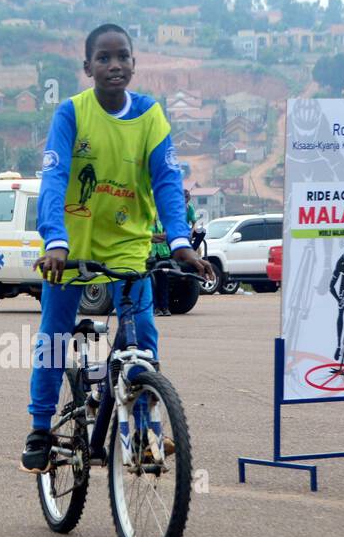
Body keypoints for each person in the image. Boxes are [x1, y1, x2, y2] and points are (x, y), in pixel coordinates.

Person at [21, 23, 215, 473]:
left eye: (122, 56)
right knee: (53, 338)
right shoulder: (71, 114)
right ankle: (39, 425)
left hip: (128, 249)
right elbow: (52, 180)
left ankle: (143, 430)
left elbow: (168, 181)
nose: (114, 65)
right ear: (88, 67)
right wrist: (55, 241)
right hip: (70, 249)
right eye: (104, 58)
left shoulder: (151, 117)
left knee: (141, 340)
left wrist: (181, 242)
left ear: (134, 63)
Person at [149, 218, 171, 316]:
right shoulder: (146, 222)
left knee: (163, 282)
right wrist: (159, 237)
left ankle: (165, 307)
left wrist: (153, 237)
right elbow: (146, 237)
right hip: (150, 255)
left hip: (163, 255)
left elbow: (166, 235)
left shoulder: (161, 221)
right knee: (152, 283)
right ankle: (155, 308)